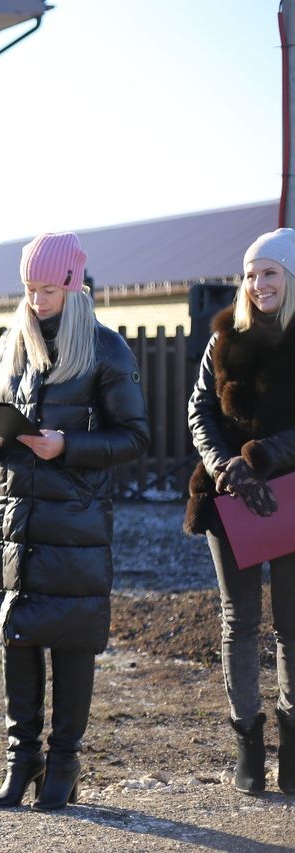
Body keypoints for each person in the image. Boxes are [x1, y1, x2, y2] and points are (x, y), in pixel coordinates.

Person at [0, 232, 150, 811]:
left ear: (73, 285)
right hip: (10, 518)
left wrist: (67, 445)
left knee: (70, 641)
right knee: (15, 637)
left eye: (47, 288)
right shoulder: (5, 347)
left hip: (74, 524)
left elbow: (135, 437)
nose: (36, 299)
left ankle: (64, 764)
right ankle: (22, 762)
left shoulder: (105, 349)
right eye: (29, 288)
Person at [184, 227, 295, 796]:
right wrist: (226, 463)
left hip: (291, 495)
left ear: (290, 277)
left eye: (269, 272)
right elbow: (199, 409)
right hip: (231, 498)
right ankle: (247, 745)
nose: (257, 284)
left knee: (293, 628)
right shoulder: (222, 339)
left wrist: (263, 458)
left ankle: (293, 750)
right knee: (239, 622)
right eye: (250, 274)